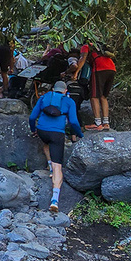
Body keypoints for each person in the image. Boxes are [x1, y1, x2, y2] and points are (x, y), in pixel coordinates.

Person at [29, 79, 83, 214]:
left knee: (46, 144)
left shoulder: (44, 97)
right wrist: (79, 134)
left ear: (53, 89)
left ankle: (49, 165)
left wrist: (33, 129)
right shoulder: (69, 101)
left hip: (42, 131)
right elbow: (74, 122)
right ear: (65, 91)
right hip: (57, 134)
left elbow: (32, 117)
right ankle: (54, 199)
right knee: (58, 165)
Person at [73, 40, 116, 130]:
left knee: (94, 96)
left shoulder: (86, 46)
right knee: (103, 96)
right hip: (111, 68)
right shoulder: (99, 46)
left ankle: (97, 123)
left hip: (99, 69)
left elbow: (83, 59)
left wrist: (76, 73)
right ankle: (106, 123)